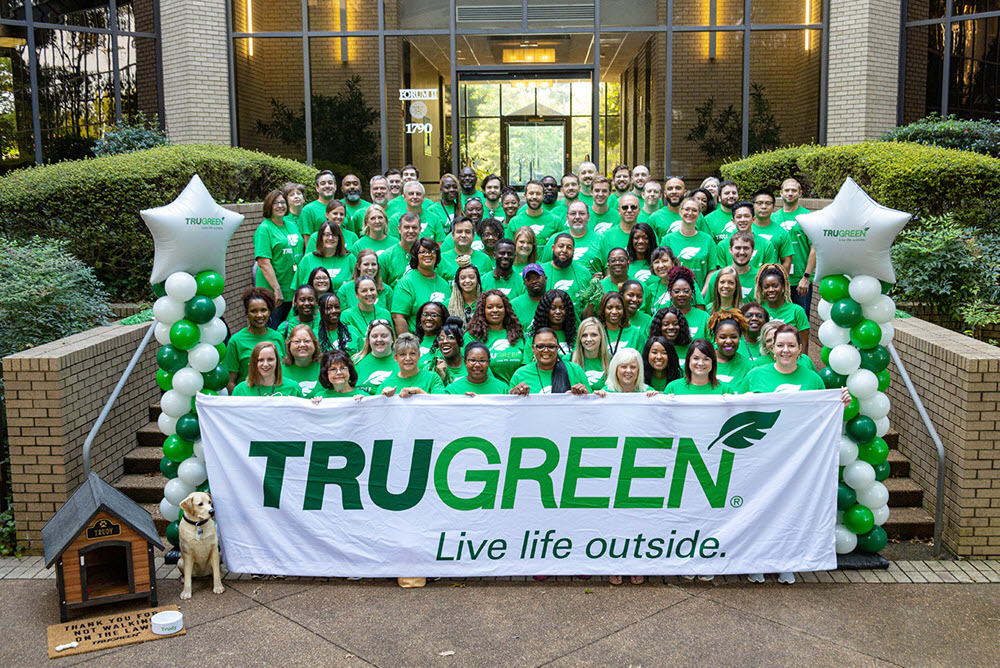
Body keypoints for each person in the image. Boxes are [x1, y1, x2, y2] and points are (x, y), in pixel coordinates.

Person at [738, 323, 850, 586]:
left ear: (800, 349)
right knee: (759, 509)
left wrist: (840, 401)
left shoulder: (812, 379)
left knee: (790, 510)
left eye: (791, 345)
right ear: (770, 348)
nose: (785, 350)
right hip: (761, 455)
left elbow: (824, 416)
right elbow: (736, 407)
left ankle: (786, 561)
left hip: (797, 459)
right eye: (780, 345)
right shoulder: (755, 376)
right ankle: (757, 561)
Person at [255, 189, 304, 328]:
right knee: (273, 329)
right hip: (274, 293)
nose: (280, 206)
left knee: (291, 330)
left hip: (292, 290)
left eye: (283, 202)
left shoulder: (290, 224)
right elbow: (263, 263)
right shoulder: (264, 229)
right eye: (275, 203)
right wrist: (276, 290)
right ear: (268, 206)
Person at [225, 287, 287, 391]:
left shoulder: (277, 337)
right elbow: (230, 381)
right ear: (246, 313)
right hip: (249, 401)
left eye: (263, 310)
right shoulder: (236, 341)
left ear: (269, 311)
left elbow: (283, 370)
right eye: (253, 311)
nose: (259, 315)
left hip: (276, 397)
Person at [772, 178, 815, 317]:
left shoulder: (809, 217)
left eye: (794, 190)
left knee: (801, 320)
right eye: (787, 190)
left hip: (800, 281)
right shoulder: (773, 218)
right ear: (781, 193)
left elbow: (814, 249)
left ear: (800, 193)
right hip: (777, 280)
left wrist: (806, 277)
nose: (790, 193)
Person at [391, 237, 451, 334]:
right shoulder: (407, 282)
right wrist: (407, 344)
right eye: (422, 252)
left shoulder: (444, 284)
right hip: (416, 341)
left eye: (431, 251)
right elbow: (398, 317)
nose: (427, 255)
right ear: (415, 256)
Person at [466, 289, 526, 384]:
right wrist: (504, 390)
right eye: (490, 307)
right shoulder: (472, 337)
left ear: (505, 309)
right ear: (483, 310)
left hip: (517, 393)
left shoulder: (517, 334)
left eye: (499, 307)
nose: (495, 310)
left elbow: (525, 368)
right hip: (488, 393)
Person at [509, 328, 590, 395]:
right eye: (540, 346)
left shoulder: (575, 370)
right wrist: (513, 396)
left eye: (551, 346)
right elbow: (509, 409)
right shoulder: (520, 374)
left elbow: (591, 405)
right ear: (533, 349)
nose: (546, 350)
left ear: (557, 348)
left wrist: (586, 395)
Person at [755, 263, 810, 353]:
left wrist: (802, 363)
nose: (771, 290)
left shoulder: (797, 311)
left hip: (789, 360)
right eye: (766, 287)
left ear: (783, 286)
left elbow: (803, 345)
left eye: (775, 286)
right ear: (762, 289)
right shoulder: (759, 310)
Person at [663, 196, 716, 288]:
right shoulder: (667, 240)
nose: (690, 213)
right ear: (680, 212)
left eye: (694, 210)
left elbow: (712, 270)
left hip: (701, 296)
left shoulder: (708, 240)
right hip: (675, 296)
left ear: (699, 214)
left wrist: (702, 295)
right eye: (687, 209)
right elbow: (664, 269)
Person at [713, 201, 778, 274]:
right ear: (733, 221)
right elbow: (721, 274)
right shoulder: (723, 245)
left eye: (747, 216)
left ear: (753, 219)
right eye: (739, 217)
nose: (743, 219)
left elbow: (769, 273)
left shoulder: (766, 244)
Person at [541, 200, 602, 274]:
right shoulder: (555, 239)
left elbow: (608, 270)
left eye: (582, 213)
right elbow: (543, 268)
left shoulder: (600, 239)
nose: (577, 217)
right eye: (573, 213)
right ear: (567, 217)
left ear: (588, 217)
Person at [294, 221, 355, 293]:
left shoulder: (349, 258)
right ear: (321, 237)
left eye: (334, 235)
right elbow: (297, 290)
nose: (330, 238)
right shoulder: (307, 259)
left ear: (339, 238)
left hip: (343, 303)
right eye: (327, 234)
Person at [381, 333, 445, 396]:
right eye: (402, 354)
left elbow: (442, 403)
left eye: (412, 354)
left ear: (419, 355)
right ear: (395, 358)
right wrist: (383, 397)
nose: (408, 358)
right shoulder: (386, 384)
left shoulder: (432, 378)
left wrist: (418, 391)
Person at [231, 341, 303, 397]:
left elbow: (303, 414)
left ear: (277, 361)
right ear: (254, 363)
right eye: (260, 360)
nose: (265, 364)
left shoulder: (293, 388)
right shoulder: (240, 390)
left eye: (270, 359)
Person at [706, 229, 759, 302]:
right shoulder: (717, 276)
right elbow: (709, 306)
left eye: (746, 248)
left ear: (752, 251)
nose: (742, 252)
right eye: (738, 248)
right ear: (730, 250)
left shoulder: (759, 277)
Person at [544, 234, 593, 308]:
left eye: (569, 248)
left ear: (573, 251)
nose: (564, 250)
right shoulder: (541, 271)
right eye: (561, 246)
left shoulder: (584, 273)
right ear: (553, 248)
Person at [708, 309, 755, 387]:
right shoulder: (702, 363)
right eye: (723, 337)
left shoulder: (750, 367)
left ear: (739, 338)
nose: (729, 341)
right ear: (715, 339)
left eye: (733, 337)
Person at [750, 189, 793, 274]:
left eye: (768, 203)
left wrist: (781, 280)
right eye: (759, 203)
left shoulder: (781, 232)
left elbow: (786, 261)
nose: (763, 206)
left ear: (773, 206)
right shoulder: (745, 228)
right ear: (753, 205)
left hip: (769, 282)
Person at [439, 216, 494, 281]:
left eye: (467, 232)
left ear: (473, 236)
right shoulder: (442, 259)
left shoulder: (484, 259)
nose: (463, 235)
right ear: (453, 235)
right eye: (459, 232)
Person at [508, 180, 561, 245]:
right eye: (531, 193)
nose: (534, 197)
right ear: (525, 196)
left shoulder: (556, 221)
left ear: (543, 196)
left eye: (538, 194)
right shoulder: (514, 222)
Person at [352, 320, 398, 394]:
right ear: (369, 340)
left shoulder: (404, 361)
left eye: (384, 336)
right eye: (374, 336)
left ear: (392, 338)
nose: (379, 340)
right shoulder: (355, 361)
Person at [341, 276, 392, 343]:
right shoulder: (347, 316)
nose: (369, 293)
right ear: (356, 294)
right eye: (364, 291)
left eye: (372, 289)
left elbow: (391, 340)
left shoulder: (385, 313)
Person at [445, 342, 509, 395]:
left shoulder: (502, 389)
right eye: (472, 360)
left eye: (482, 361)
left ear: (488, 363)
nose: (477, 365)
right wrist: (462, 400)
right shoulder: (452, 390)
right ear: (465, 362)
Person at [598, 193, 641, 273]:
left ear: (639, 210)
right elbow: (606, 267)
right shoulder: (607, 236)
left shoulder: (646, 234)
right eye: (625, 207)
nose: (629, 210)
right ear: (619, 211)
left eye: (633, 207)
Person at [595, 291, 646, 356]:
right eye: (609, 308)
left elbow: (641, 361)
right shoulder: (596, 332)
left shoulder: (636, 333)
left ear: (624, 310)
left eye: (618, 308)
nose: (614, 312)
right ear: (603, 310)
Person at [667, 266, 710, 341]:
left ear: (692, 293)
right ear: (670, 294)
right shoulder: (662, 315)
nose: (681, 294)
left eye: (686, 291)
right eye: (676, 291)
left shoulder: (704, 317)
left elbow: (712, 344)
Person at [531, 289, 578, 356]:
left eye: (562, 308)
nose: (558, 312)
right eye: (553, 308)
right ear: (545, 311)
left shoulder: (575, 337)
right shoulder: (534, 338)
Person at [379, 212, 422, 286]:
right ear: (399, 229)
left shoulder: (427, 255)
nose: (411, 231)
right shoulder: (385, 257)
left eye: (414, 227)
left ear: (420, 230)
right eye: (406, 227)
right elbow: (381, 288)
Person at [281, 324, 322, 396]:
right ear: (289, 345)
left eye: (307, 341)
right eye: (297, 341)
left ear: (315, 344)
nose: (302, 345)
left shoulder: (325, 366)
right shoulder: (279, 369)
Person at [571, 316, 611, 389]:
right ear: (580, 338)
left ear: (601, 337)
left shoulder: (611, 361)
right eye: (584, 335)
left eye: (594, 335)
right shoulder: (568, 360)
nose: (589, 339)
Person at [300, 170, 337, 245]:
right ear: (317, 188)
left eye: (330, 183)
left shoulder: (342, 208)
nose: (327, 186)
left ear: (335, 186)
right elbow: (308, 242)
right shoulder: (308, 210)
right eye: (323, 183)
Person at [510, 263, 548, 330]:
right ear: (524, 283)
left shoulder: (554, 300)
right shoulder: (514, 305)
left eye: (537, 277)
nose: (533, 281)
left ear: (545, 278)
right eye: (529, 279)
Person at [429, 317, 467, 383]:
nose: (444, 341)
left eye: (450, 337)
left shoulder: (471, 364)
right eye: (441, 339)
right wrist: (440, 377)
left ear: (460, 341)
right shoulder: (434, 367)